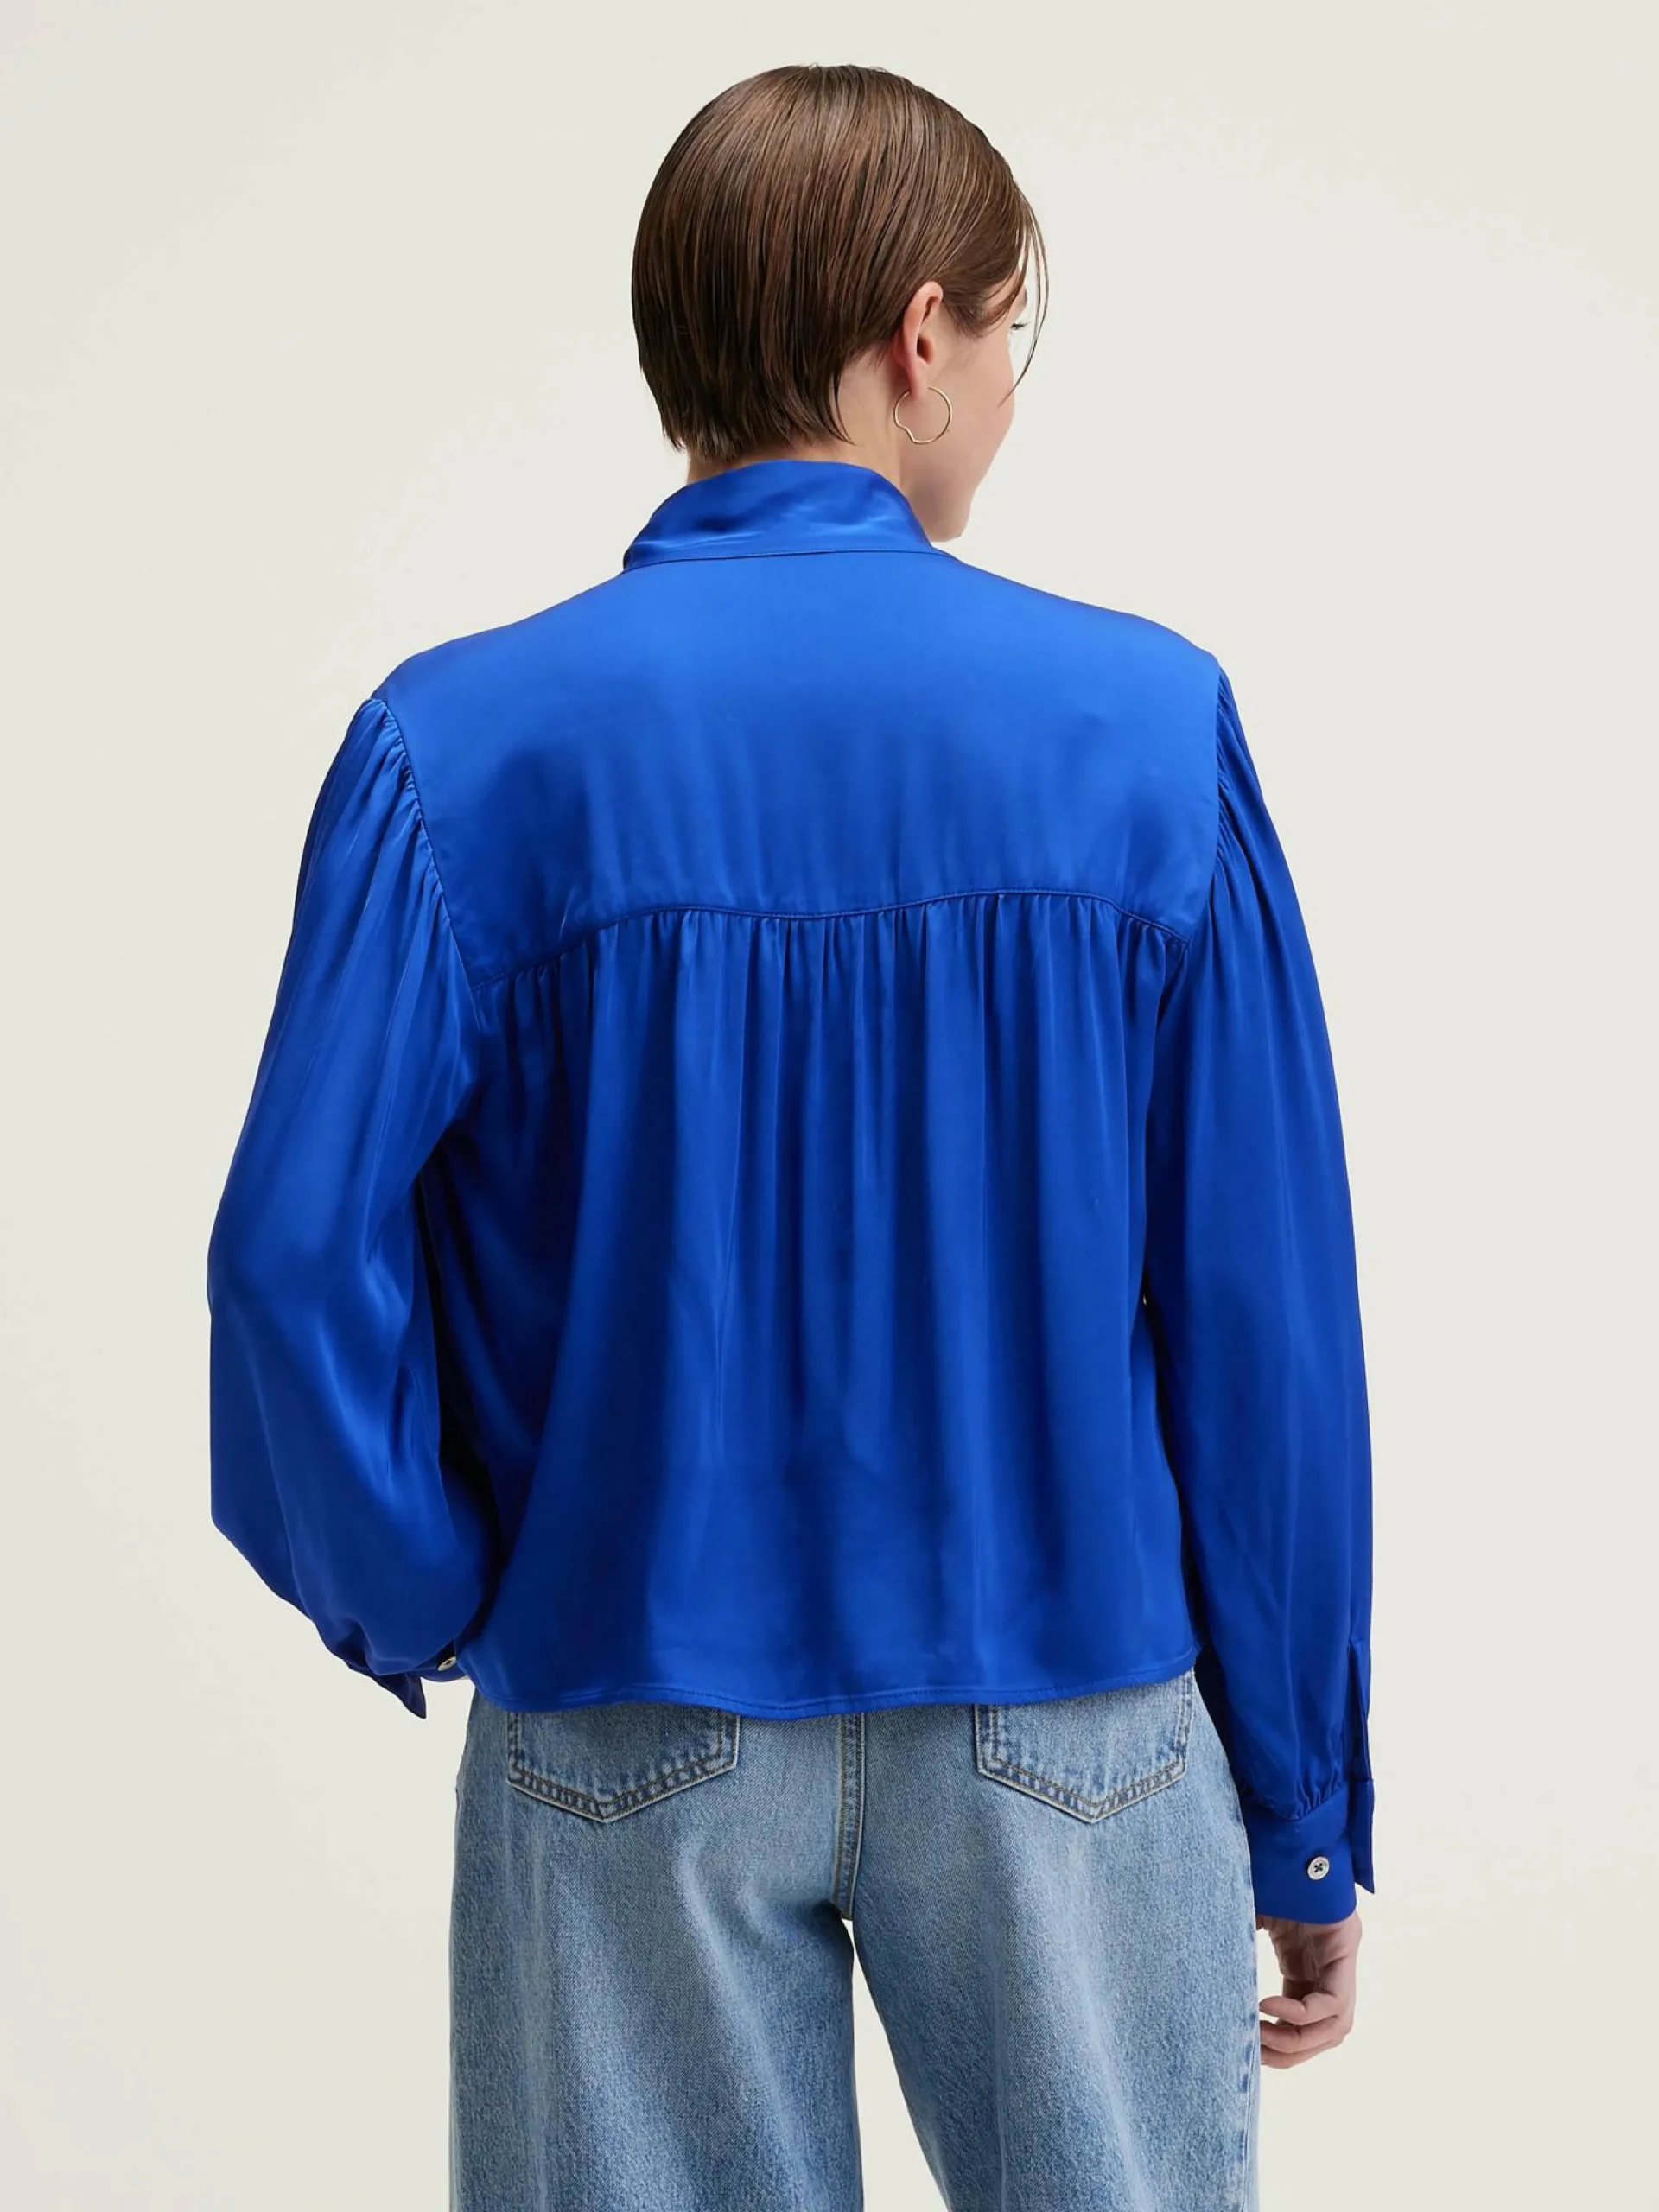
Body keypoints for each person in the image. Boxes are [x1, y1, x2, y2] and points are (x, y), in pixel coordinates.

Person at [206, 60, 1374, 2212]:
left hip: (621, 1697)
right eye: (1012, 330)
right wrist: (1302, 1803)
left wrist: (436, 1587)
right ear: (920, 335)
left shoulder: (458, 747)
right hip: (1067, 1707)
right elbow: (1259, 1309)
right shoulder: (1145, 728)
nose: (1008, 383)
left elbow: (290, 1252)